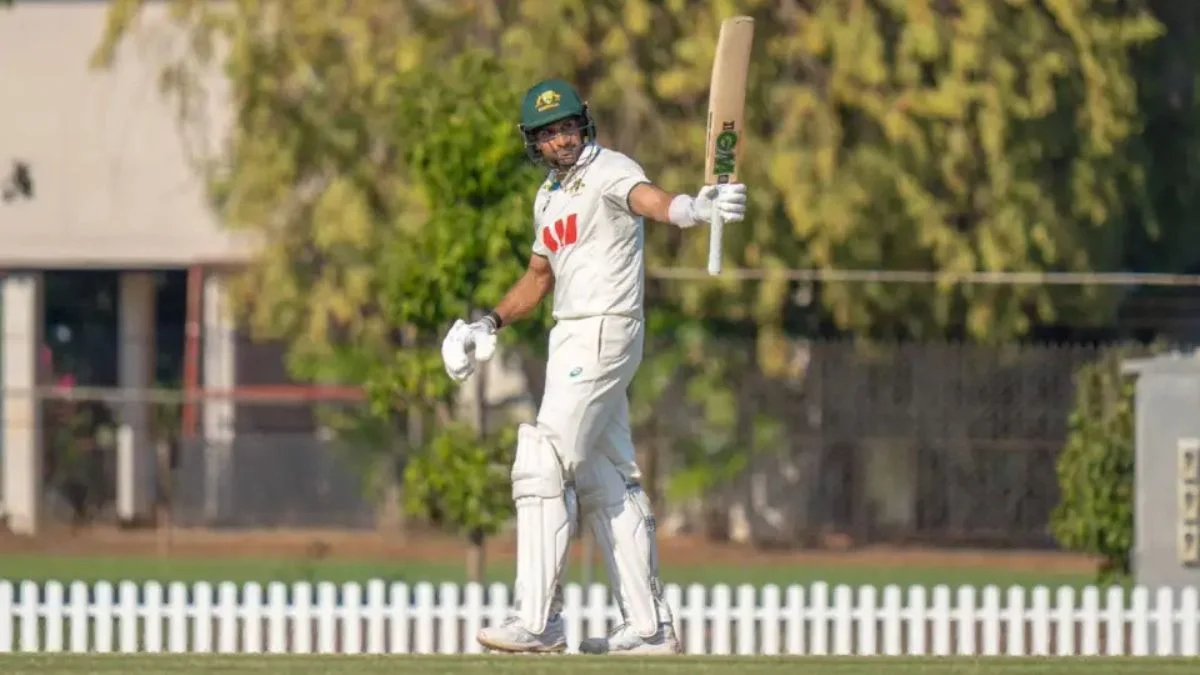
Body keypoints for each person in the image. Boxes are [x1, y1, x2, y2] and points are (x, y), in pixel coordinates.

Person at [440, 78, 747, 655]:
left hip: (605, 327)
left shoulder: (610, 168)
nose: (562, 138)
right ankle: (650, 628)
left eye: (568, 126)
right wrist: (488, 324)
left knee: (542, 459)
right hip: (569, 337)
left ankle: (537, 621)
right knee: (609, 479)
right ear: (534, 143)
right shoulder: (549, 198)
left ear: (585, 123)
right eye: (549, 132)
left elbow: (651, 201)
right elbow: (538, 279)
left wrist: (694, 209)